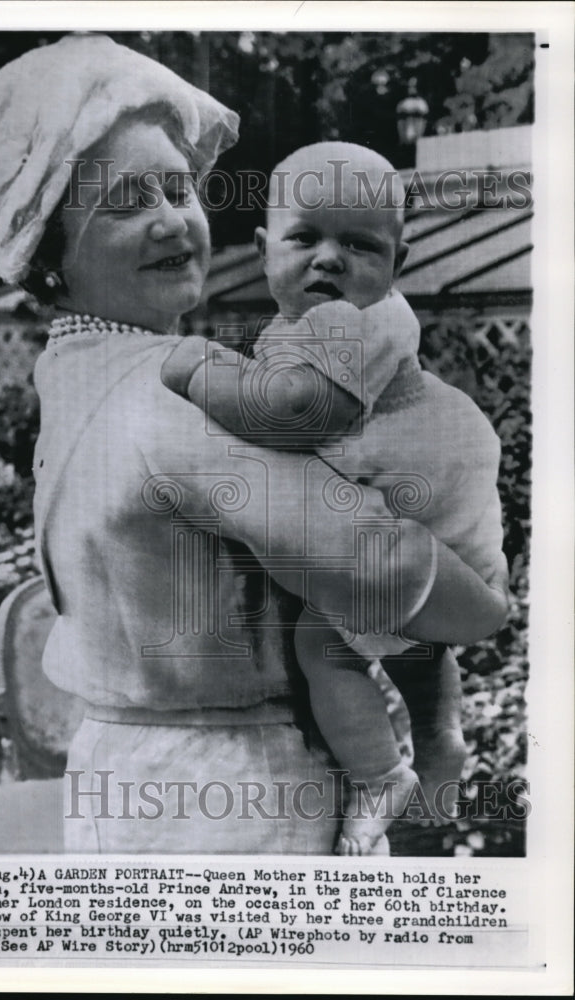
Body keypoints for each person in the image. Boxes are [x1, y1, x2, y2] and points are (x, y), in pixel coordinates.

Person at [0, 36, 508, 854]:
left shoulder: (71, 369)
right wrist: (484, 610)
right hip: (240, 796)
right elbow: (378, 564)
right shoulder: (177, 391)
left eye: (177, 188)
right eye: (124, 203)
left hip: (123, 774)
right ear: (47, 258)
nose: (172, 221)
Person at [160, 142, 509, 854]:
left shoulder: (362, 319)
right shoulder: (305, 327)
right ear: (263, 250)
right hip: (429, 505)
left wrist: (199, 369)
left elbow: (297, 414)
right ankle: (440, 739)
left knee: (324, 647)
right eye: (304, 238)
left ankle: (381, 773)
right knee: (415, 645)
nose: (328, 259)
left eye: (357, 244)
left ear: (395, 264)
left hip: (415, 492)